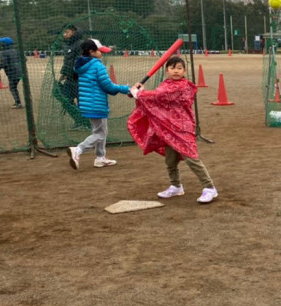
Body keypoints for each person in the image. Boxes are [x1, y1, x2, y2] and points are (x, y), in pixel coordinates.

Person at [128, 56, 218, 204]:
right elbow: (157, 98)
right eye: (172, 68)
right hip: (168, 129)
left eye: (179, 68)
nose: (176, 71)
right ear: (167, 70)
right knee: (170, 160)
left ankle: (209, 187)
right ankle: (176, 186)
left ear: (185, 71)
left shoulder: (183, 86)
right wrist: (140, 93)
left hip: (182, 128)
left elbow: (160, 96)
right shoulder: (165, 84)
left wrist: (139, 94)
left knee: (192, 158)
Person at [67, 38, 132, 170]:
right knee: (100, 133)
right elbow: (109, 87)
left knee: (100, 131)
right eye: (99, 51)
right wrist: (126, 89)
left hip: (88, 104)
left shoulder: (81, 65)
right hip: (96, 104)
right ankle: (78, 150)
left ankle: (100, 158)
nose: (101, 53)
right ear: (91, 52)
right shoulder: (97, 65)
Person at [56, 24, 89, 126]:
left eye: (67, 32)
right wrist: (64, 73)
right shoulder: (68, 45)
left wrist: (75, 73)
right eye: (64, 32)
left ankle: (83, 123)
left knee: (81, 102)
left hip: (80, 78)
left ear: (74, 32)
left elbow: (81, 61)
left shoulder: (80, 44)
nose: (64, 34)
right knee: (65, 99)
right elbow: (68, 62)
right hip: (70, 78)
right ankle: (79, 120)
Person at [0, 36, 23, 109]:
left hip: (12, 73)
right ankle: (18, 102)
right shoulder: (16, 51)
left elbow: (4, 63)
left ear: (4, 44)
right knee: (14, 87)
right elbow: (24, 59)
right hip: (20, 72)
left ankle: (18, 103)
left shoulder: (4, 52)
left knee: (12, 88)